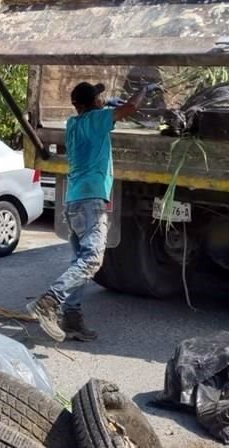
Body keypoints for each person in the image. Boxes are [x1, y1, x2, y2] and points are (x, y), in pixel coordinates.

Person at [26, 80, 153, 342]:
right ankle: (49, 301)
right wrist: (145, 90)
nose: (102, 100)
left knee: (78, 263)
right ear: (92, 103)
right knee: (91, 261)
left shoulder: (74, 123)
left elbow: (92, 105)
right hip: (90, 201)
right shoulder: (99, 120)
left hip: (73, 202)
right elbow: (131, 107)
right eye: (98, 98)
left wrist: (102, 101)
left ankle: (72, 319)